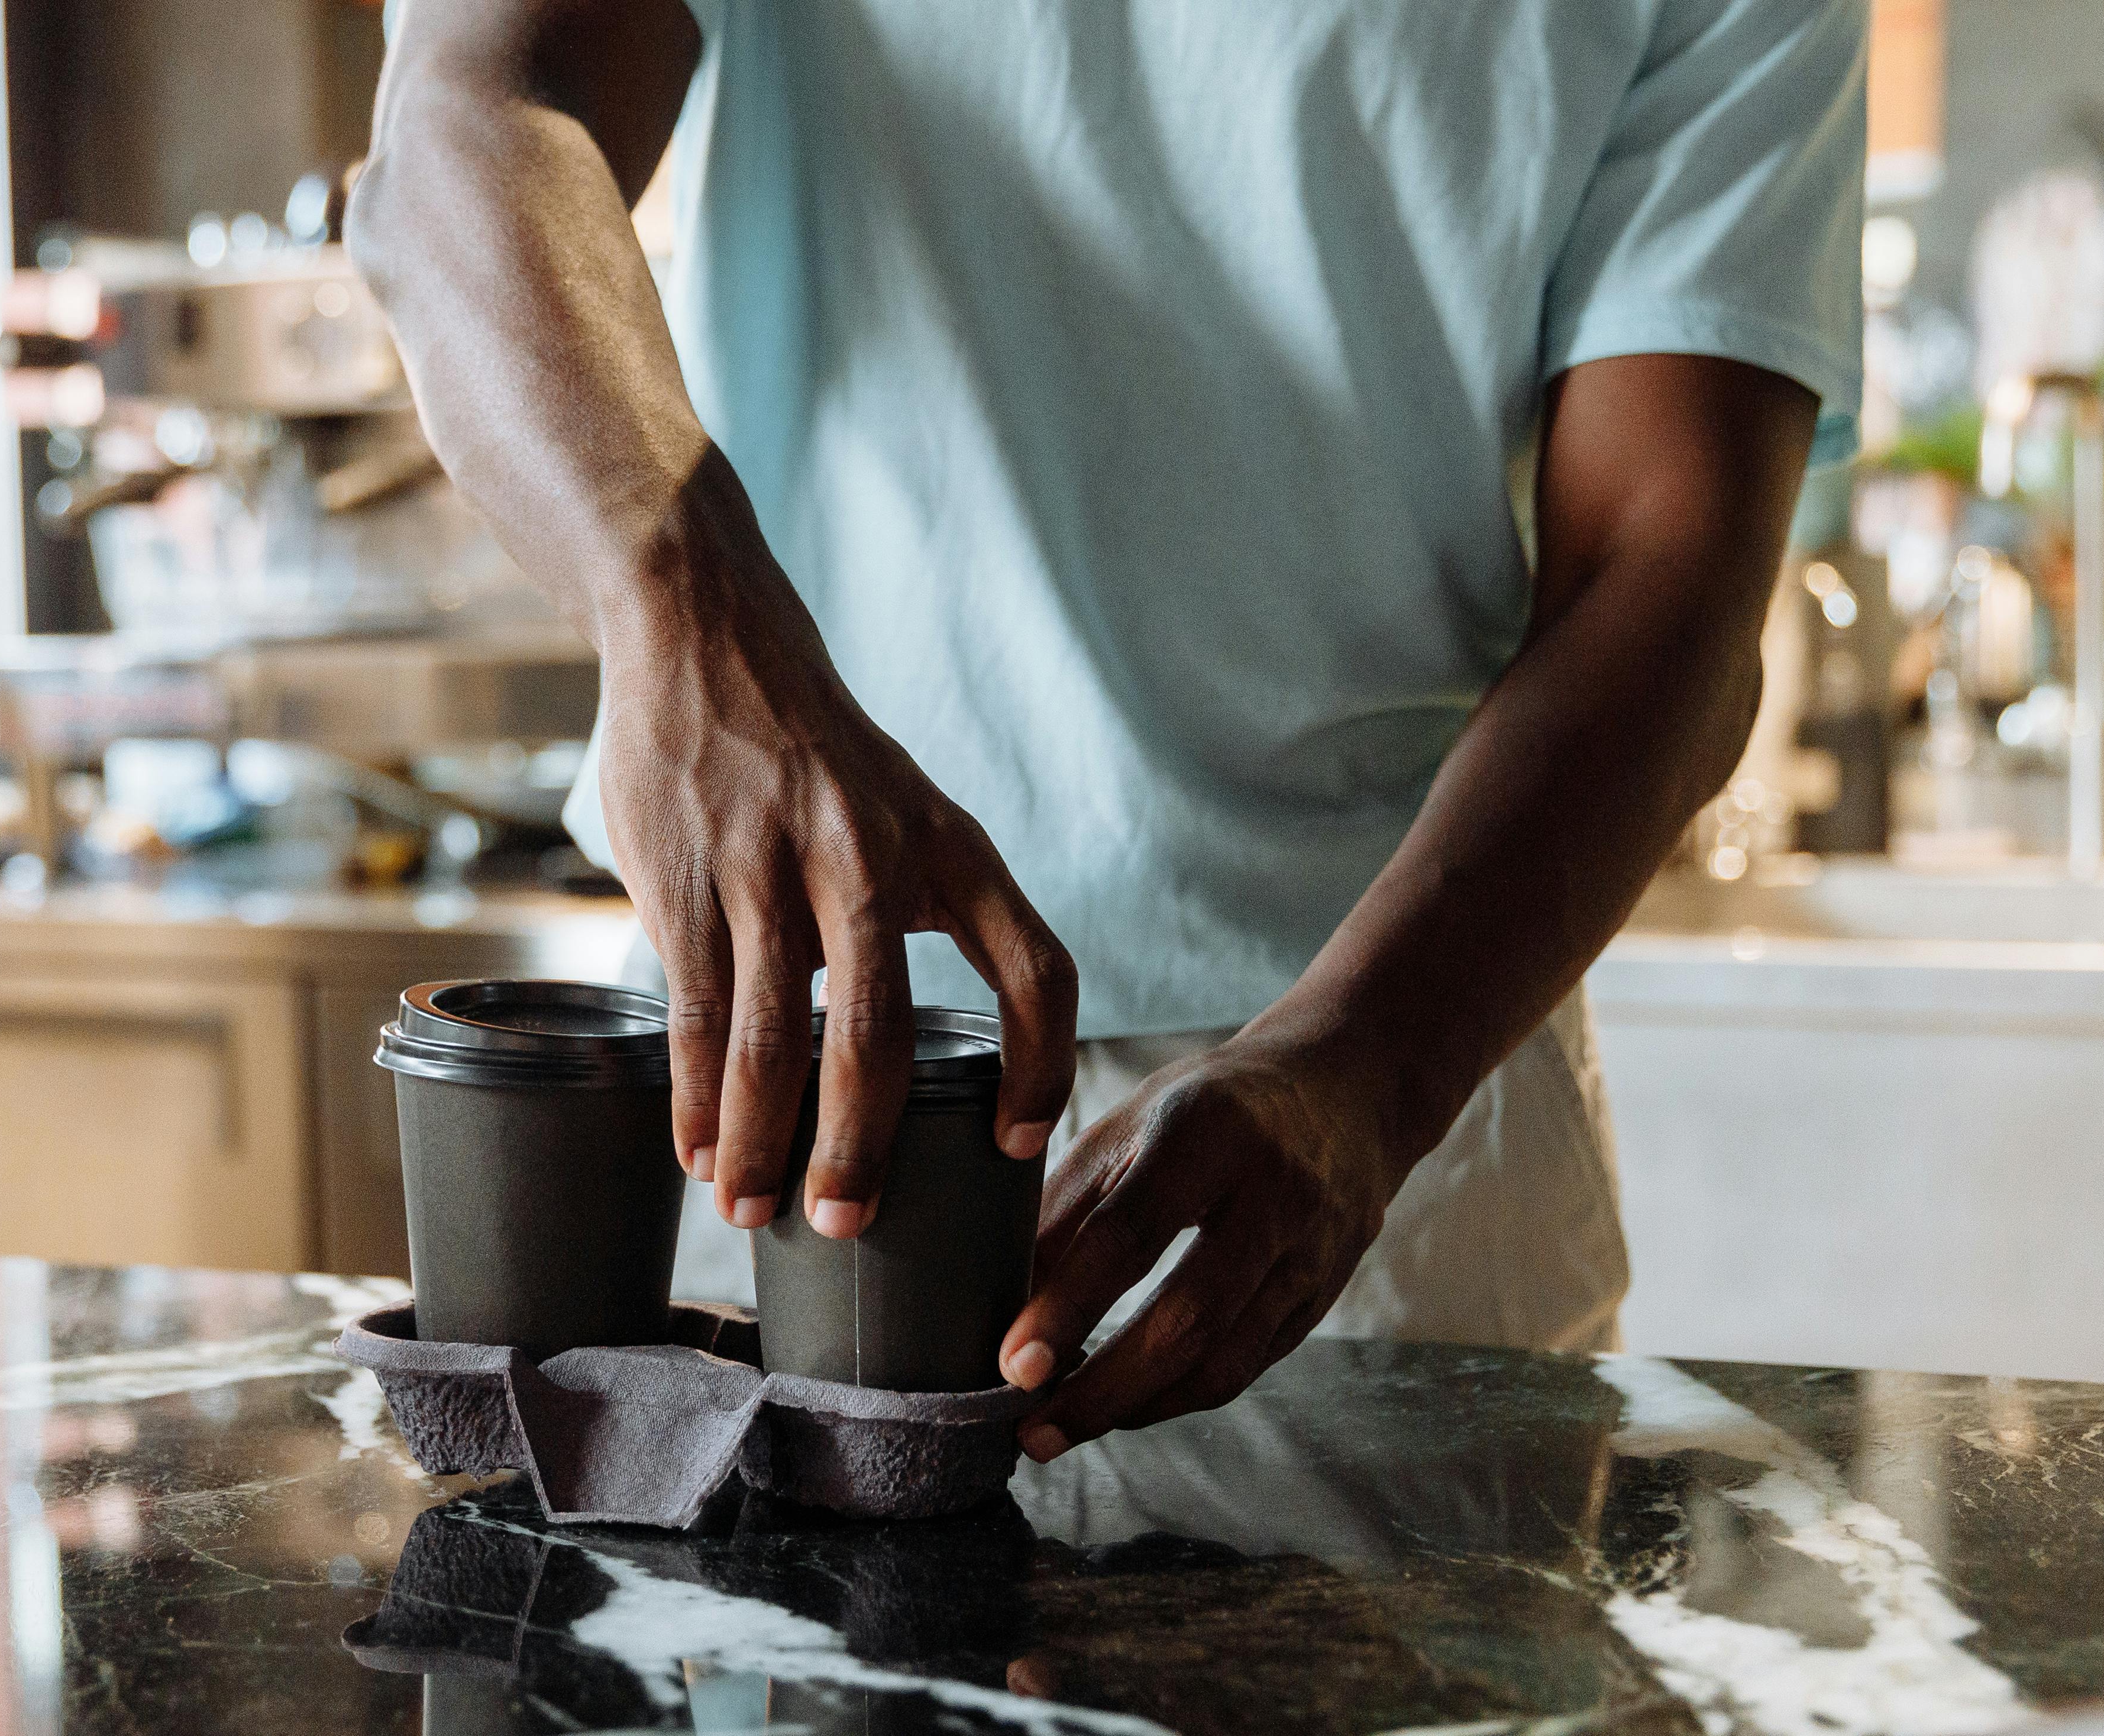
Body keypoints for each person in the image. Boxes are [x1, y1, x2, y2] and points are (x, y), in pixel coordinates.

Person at [348, 0, 1864, 1461]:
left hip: (1386, 1098)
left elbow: (1666, 564)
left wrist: (1365, 1072)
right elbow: (468, 115)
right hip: (781, 1069)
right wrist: (685, 616)